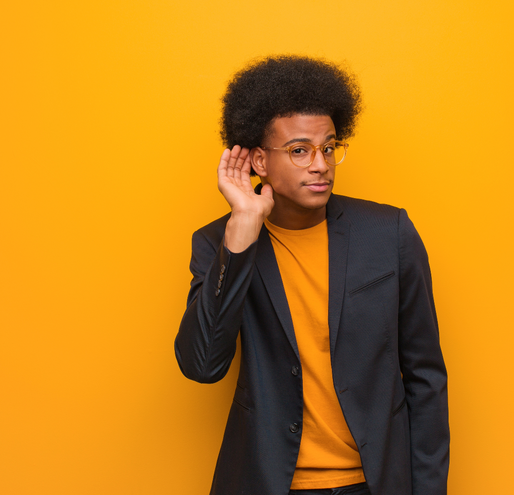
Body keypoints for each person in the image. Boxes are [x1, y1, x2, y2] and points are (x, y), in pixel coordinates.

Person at [174, 55, 449, 495]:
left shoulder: (388, 233)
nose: (320, 164)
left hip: (374, 482)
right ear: (259, 161)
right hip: (267, 482)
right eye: (299, 150)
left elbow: (425, 377)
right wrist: (243, 227)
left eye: (328, 147)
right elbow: (203, 365)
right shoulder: (219, 244)